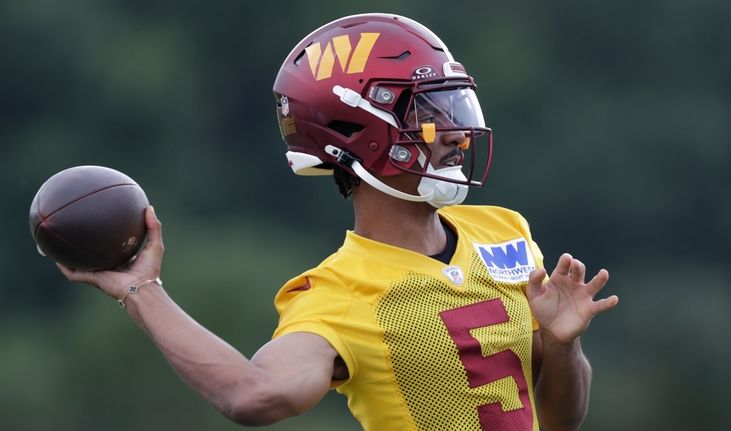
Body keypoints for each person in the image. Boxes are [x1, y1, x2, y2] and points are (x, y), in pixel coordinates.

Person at [58, 13, 619, 431]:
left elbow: (560, 421)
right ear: (358, 131)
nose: (454, 131)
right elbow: (254, 396)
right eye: (428, 113)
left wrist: (564, 346)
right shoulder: (338, 294)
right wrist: (140, 289)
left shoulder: (504, 229)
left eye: (453, 108)